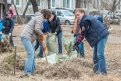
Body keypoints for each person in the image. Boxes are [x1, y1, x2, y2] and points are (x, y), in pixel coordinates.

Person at [75, 9, 109, 75]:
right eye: (76, 15)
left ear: (83, 13)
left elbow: (83, 33)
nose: (77, 16)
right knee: (95, 56)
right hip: (97, 37)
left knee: (100, 54)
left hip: (101, 36)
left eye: (78, 15)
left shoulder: (86, 21)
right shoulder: (83, 21)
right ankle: (96, 72)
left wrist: (77, 43)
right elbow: (81, 32)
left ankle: (103, 73)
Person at [20, 9, 51, 76]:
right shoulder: (39, 18)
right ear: (46, 15)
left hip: (29, 38)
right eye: (48, 16)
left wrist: (42, 44)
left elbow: (38, 34)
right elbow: (37, 29)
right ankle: (27, 72)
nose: (48, 18)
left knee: (33, 54)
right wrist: (42, 35)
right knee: (31, 54)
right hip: (26, 37)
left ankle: (33, 71)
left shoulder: (40, 19)